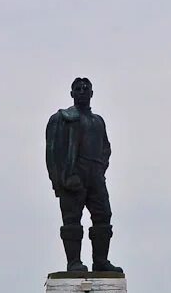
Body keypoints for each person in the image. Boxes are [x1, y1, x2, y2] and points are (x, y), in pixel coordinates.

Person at [45, 77, 123, 273]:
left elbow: (106, 148)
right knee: (71, 219)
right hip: (73, 176)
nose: (82, 91)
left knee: (103, 215)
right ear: (72, 94)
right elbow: (52, 152)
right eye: (77, 88)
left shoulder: (98, 121)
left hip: (95, 175)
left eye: (85, 88)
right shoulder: (63, 118)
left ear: (92, 93)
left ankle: (100, 261)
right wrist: (61, 179)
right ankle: (74, 262)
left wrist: (100, 169)